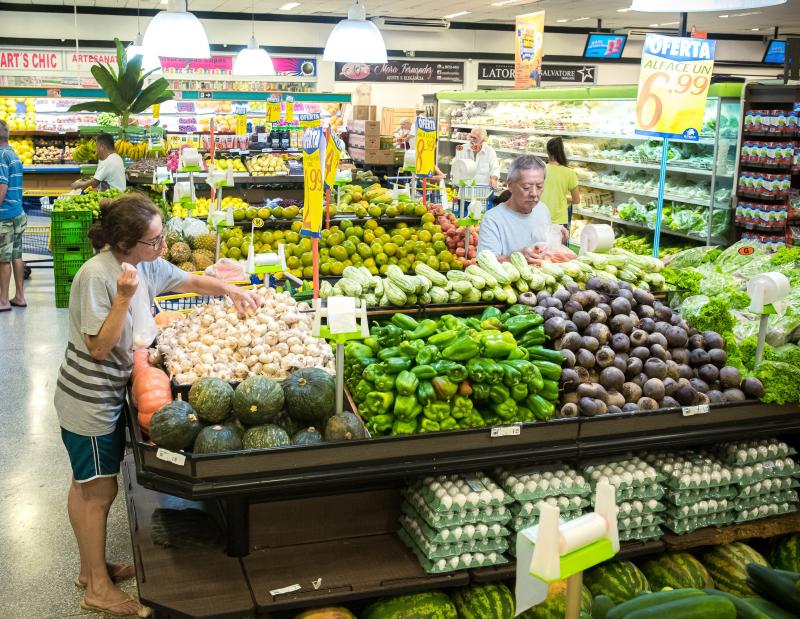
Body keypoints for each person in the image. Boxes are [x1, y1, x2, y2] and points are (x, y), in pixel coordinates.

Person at [54, 193, 260, 617]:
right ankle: (96, 587)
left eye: (163, 236)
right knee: (97, 489)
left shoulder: (144, 264)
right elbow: (99, 347)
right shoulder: (99, 276)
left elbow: (188, 281)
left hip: (108, 393)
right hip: (89, 399)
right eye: (155, 240)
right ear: (126, 243)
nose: (162, 246)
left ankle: (90, 568)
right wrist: (125, 298)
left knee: (91, 483)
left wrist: (229, 290)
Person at [477, 155, 567, 262]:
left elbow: (545, 250)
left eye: (539, 186)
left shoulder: (542, 209)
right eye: (526, 187)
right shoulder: (493, 219)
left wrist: (555, 238)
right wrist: (513, 258)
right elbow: (485, 263)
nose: (534, 193)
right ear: (510, 185)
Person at [0, 119, 26, 312]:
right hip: (18, 212)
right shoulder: (13, 154)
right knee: (17, 255)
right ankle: (19, 296)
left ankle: (3, 301)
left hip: (5, 215)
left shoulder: (0, 156)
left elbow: (2, 186)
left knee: (3, 258)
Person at [540, 137, 580, 237]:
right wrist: (563, 198)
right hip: (559, 219)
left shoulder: (540, 169)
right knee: (558, 251)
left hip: (539, 216)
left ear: (547, 151)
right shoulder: (569, 173)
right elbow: (576, 200)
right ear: (562, 151)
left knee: (538, 249)